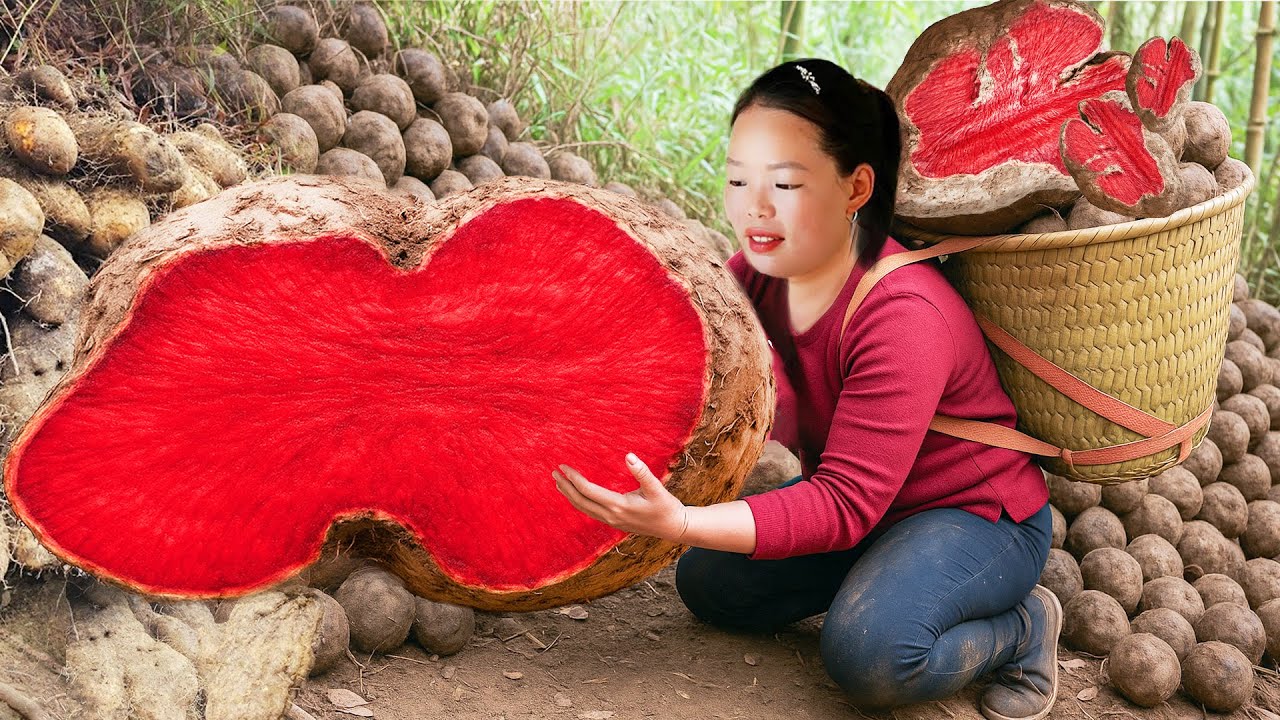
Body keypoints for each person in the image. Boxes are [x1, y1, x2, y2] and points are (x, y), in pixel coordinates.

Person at [552, 58, 1057, 720]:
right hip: (872, 515)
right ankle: (884, 582)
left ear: (855, 191)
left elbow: (844, 501)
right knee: (711, 585)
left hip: (973, 517)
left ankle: (1023, 629)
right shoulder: (765, 269)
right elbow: (681, 342)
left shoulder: (905, 314)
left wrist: (680, 520)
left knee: (870, 656)